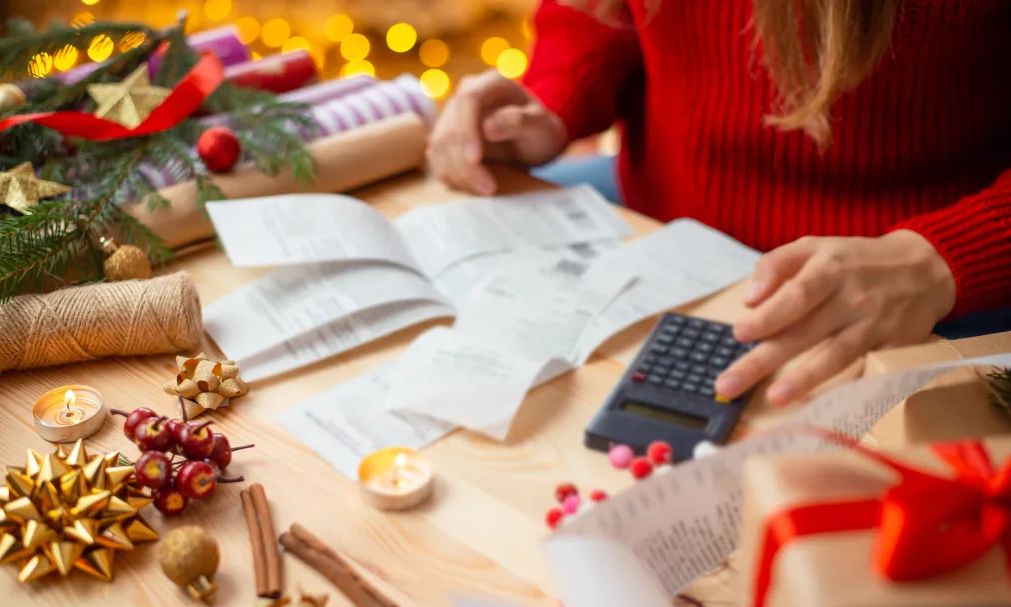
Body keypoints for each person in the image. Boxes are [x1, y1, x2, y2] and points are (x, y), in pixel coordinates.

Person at [426, 0, 1011, 407]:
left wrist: (941, 256)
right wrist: (550, 100)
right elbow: (597, 17)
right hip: (661, 223)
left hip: (923, 288)